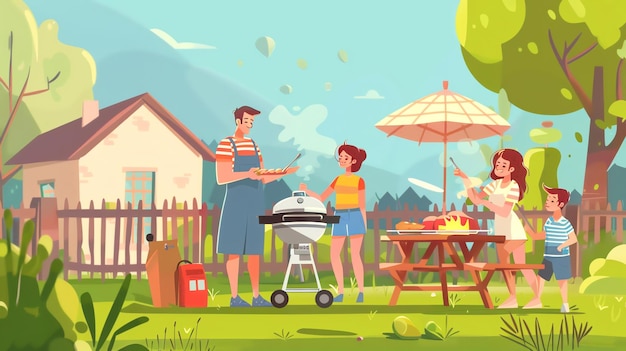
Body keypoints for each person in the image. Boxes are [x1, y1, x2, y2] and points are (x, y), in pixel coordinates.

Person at [215, 106, 298, 307]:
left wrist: (282, 174)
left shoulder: (254, 145)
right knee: (233, 251)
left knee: (254, 252)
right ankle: (234, 297)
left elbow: (261, 178)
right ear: (237, 121)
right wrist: (247, 174)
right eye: (247, 121)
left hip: (255, 203)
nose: (250, 125)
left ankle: (256, 296)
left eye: (252, 122)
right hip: (235, 203)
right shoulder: (226, 144)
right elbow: (222, 177)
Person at [454, 148, 539, 309]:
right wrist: (466, 179)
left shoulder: (513, 186)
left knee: (521, 265)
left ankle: (537, 298)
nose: (498, 167)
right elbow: (476, 199)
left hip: (513, 231)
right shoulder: (495, 184)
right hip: (500, 230)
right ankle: (513, 297)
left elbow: (505, 210)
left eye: (502, 165)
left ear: (512, 169)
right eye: (497, 164)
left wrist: (487, 203)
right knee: (505, 266)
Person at [299, 143, 367, 303]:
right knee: (334, 254)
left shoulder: (359, 180)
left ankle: (361, 292)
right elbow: (322, 198)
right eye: (341, 157)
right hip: (340, 216)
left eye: (345, 157)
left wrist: (363, 223)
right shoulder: (337, 179)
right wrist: (307, 191)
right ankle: (341, 292)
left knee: (355, 255)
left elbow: (362, 205)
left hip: (355, 215)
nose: (342, 160)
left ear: (353, 161)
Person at [524, 184, 577, 312]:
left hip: (561, 256)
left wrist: (561, 246)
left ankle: (565, 304)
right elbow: (542, 235)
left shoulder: (565, 223)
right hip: (548, 256)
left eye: (552, 200)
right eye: (548, 199)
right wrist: (530, 232)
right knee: (540, 278)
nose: (547, 202)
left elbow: (573, 239)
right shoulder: (549, 221)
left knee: (562, 281)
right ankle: (537, 300)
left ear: (560, 204)